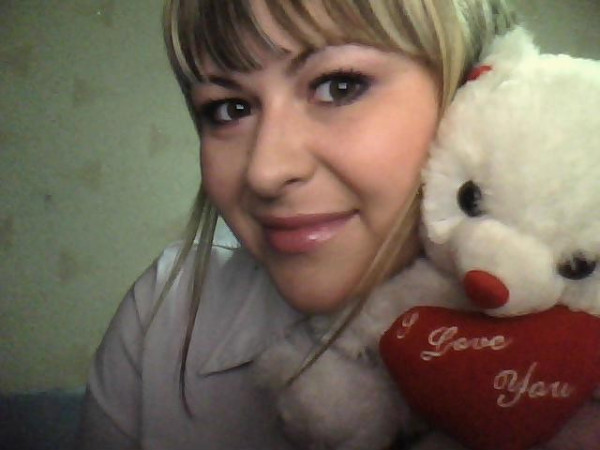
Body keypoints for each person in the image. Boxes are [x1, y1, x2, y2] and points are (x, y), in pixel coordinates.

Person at [77, 1, 517, 449]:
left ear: (478, 92)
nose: (264, 172)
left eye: (339, 87)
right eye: (229, 109)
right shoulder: (165, 312)